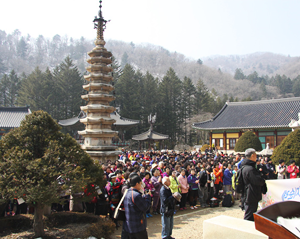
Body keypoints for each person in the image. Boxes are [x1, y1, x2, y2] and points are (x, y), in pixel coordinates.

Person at [123, 173, 152, 239]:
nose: (141, 185)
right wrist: (148, 197)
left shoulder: (128, 192)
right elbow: (145, 207)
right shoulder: (136, 195)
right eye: (140, 183)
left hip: (130, 225)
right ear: (137, 184)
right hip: (138, 225)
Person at [241, 148, 265, 221]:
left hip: (249, 193)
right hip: (251, 194)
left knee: (251, 213)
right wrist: (262, 179)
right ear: (252, 156)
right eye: (255, 155)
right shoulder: (250, 169)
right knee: (249, 214)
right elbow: (257, 181)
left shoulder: (245, 167)